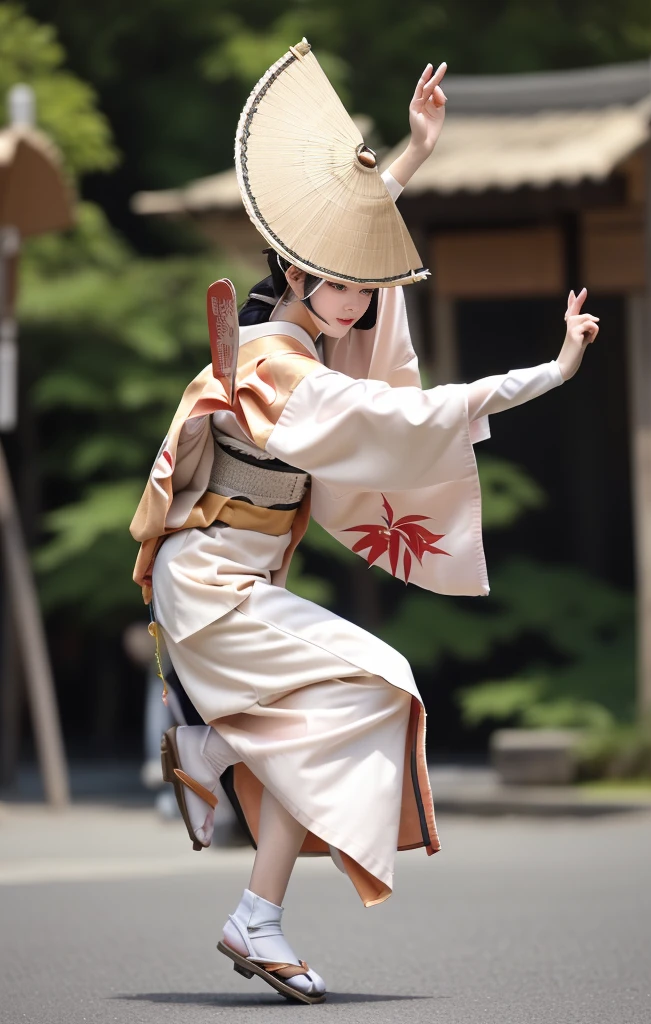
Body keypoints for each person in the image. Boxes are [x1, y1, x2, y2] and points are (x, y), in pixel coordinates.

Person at [129, 40, 598, 1005]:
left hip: (233, 582)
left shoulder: (289, 335)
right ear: (298, 278)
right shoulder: (279, 369)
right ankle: (216, 754)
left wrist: (412, 154)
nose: (364, 303)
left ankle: (255, 906)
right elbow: (401, 415)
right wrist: (548, 375)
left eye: (366, 286)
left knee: (338, 725)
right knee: (387, 678)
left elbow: (352, 244)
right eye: (345, 285)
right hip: (213, 586)